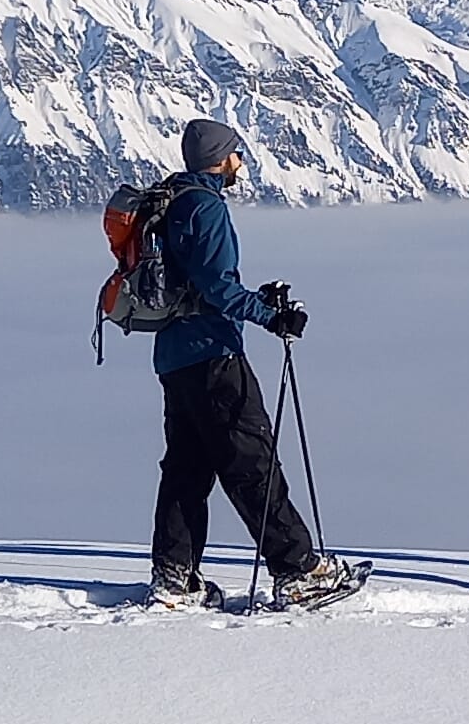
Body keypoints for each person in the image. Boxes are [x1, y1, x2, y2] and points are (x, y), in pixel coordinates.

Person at [149, 118, 368, 611]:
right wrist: (272, 316)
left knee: (186, 469)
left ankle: (174, 578)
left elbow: (194, 283)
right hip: (215, 357)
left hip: (173, 358)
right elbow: (217, 289)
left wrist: (253, 300)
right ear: (221, 159)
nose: (241, 162)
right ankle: (298, 571)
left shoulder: (170, 204)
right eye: (237, 153)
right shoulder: (206, 208)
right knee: (253, 464)